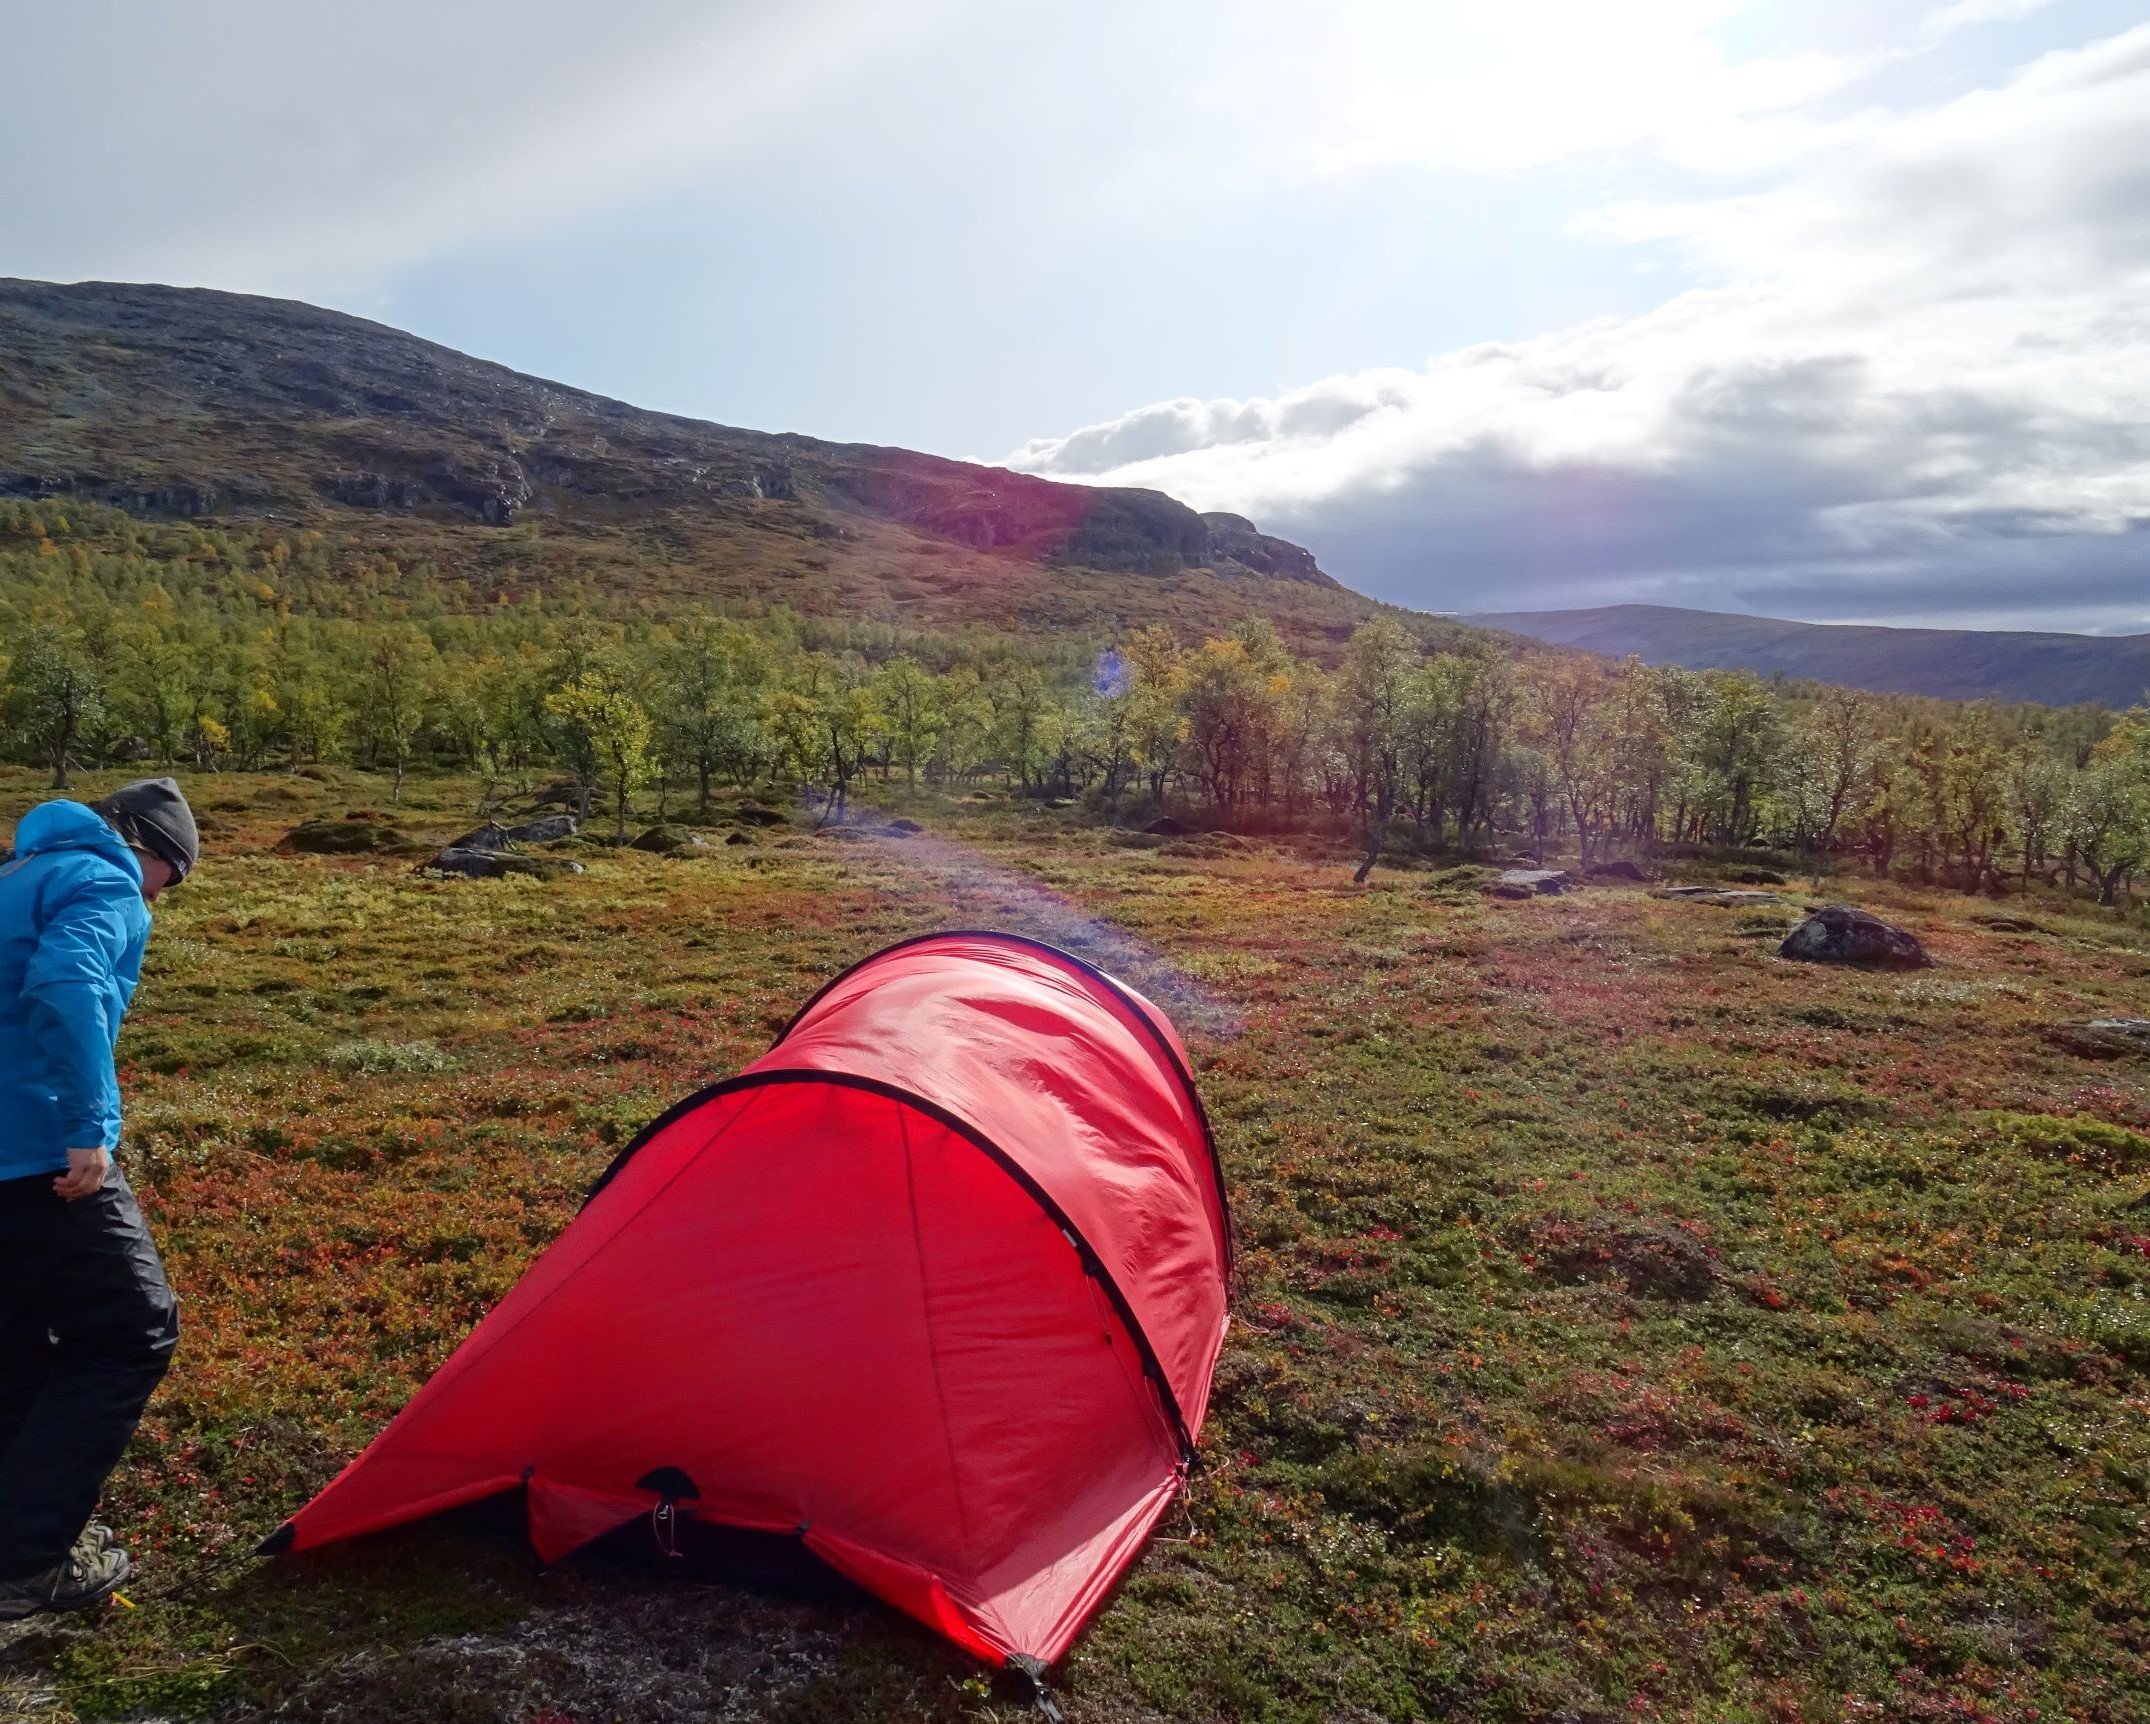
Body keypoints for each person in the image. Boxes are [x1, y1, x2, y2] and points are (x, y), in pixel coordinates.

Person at [0, 777, 198, 1620]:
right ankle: (28, 1559)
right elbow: (68, 985)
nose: (159, 899)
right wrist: (89, 1127)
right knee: (131, 1330)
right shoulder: (103, 877)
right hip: (39, 1146)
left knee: (15, 1341)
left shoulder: (16, 873)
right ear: (145, 848)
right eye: (170, 878)